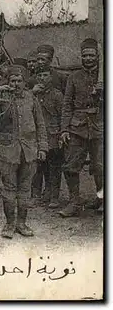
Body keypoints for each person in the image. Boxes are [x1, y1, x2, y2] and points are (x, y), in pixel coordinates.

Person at [0, 65, 48, 238]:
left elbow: (40, 124)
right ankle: (9, 224)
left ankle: (22, 224)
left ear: (25, 83)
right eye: (12, 81)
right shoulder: (1, 97)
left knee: (25, 189)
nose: (16, 84)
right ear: (7, 82)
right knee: (8, 188)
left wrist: (43, 147)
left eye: (19, 81)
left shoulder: (32, 98)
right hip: (7, 150)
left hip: (29, 150)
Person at [59, 38, 104, 217]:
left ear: (97, 56)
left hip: (100, 127)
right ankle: (74, 202)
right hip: (77, 127)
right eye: (85, 55)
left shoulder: (106, 74)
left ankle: (102, 199)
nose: (88, 59)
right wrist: (64, 129)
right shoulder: (74, 77)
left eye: (91, 55)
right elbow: (67, 104)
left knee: (100, 166)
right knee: (71, 165)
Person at [30, 65, 64, 208]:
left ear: (51, 77)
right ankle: (36, 195)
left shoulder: (57, 95)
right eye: (39, 76)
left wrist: (62, 134)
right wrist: (32, 93)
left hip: (53, 136)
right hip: (36, 137)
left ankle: (53, 196)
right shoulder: (32, 95)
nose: (42, 78)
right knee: (37, 167)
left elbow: (63, 116)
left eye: (45, 75)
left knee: (54, 167)